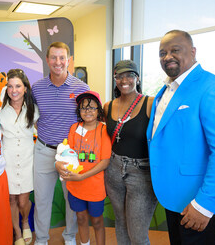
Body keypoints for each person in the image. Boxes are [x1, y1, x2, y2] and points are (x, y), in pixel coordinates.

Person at [147, 30, 215, 245]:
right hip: (172, 195)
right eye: (162, 53)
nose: (167, 56)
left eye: (175, 50)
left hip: (198, 201)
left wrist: (204, 205)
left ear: (193, 51)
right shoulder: (166, 90)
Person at [31, 42, 90, 245]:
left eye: (62, 57)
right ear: (47, 60)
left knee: (71, 200)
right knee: (42, 200)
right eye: (54, 57)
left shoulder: (82, 88)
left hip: (71, 154)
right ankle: (41, 238)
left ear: (69, 60)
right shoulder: (37, 88)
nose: (58, 62)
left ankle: (70, 236)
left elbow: (87, 121)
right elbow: (33, 117)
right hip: (44, 150)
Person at [103, 60, 158, 245]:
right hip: (113, 169)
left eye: (129, 75)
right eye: (119, 76)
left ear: (137, 78)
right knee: (121, 222)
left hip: (141, 173)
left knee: (138, 235)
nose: (124, 80)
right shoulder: (107, 106)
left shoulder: (150, 103)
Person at [56, 91, 111, 245]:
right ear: (78, 110)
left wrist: (82, 176)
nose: (88, 111)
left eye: (92, 107)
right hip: (75, 186)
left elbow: (105, 161)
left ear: (99, 110)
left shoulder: (104, 130)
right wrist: (58, 163)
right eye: (84, 108)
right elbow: (68, 153)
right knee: (80, 218)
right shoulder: (74, 128)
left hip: (95, 187)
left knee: (97, 221)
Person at [0, 69, 39, 245]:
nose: (13, 90)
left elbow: (42, 130)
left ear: (25, 88)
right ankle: (17, 233)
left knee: (23, 201)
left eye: (17, 86)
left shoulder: (33, 109)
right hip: (7, 160)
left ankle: (25, 221)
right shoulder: (0, 109)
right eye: (9, 86)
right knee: (11, 199)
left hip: (27, 160)